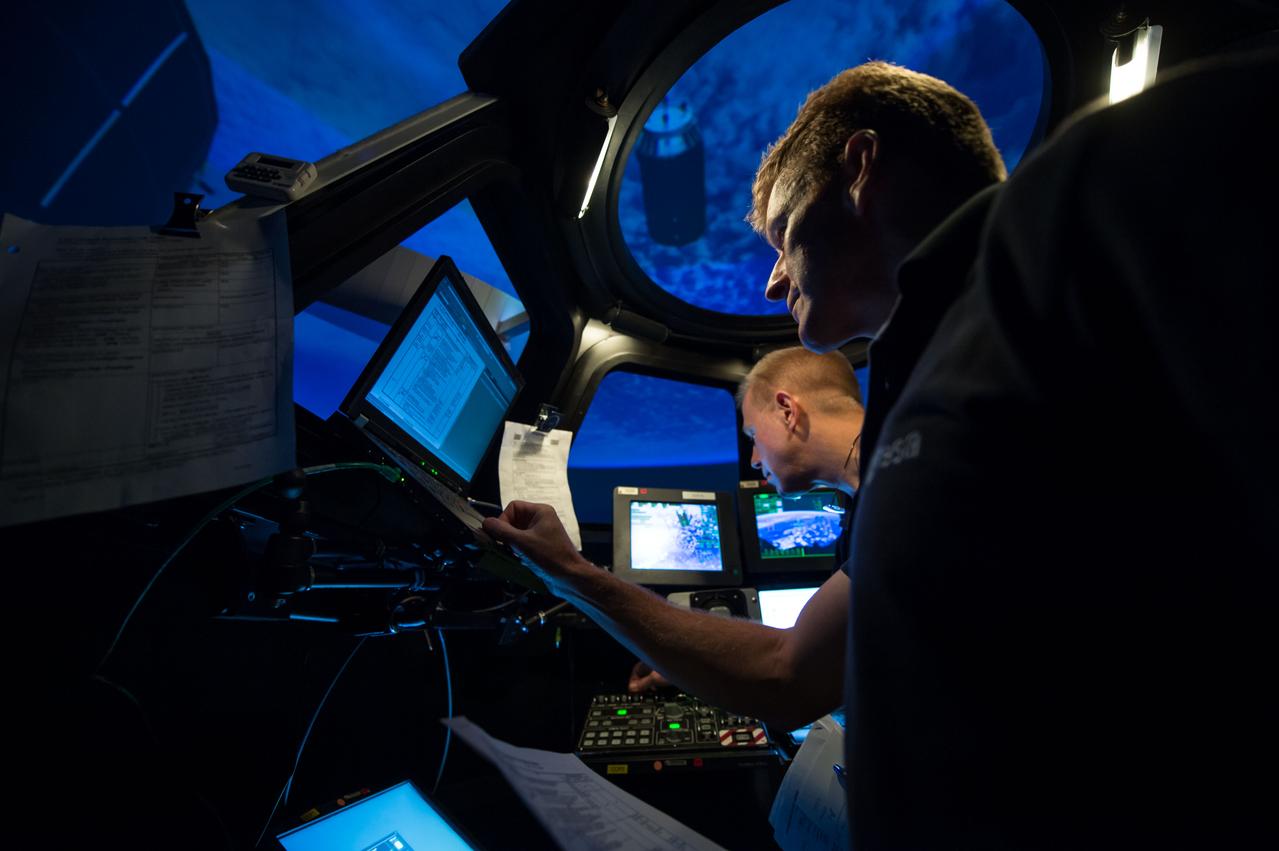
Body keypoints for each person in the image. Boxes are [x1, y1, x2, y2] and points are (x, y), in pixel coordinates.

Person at [753, 53, 1278, 848]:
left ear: (860, 167)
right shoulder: (924, 360)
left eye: (784, 231)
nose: (769, 281)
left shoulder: (1085, 204)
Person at [485, 346, 863, 730]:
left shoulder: (899, 497)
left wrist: (570, 572)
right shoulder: (874, 499)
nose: (752, 458)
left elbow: (787, 681)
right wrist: (694, 661)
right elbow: (826, 665)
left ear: (787, 410)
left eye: (752, 434)